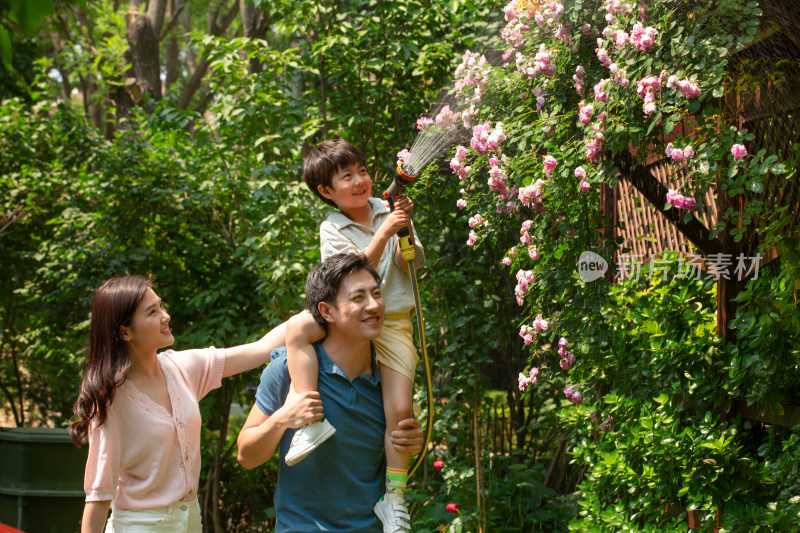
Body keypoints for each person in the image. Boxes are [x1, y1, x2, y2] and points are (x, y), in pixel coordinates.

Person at [69, 275, 295, 533]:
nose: (165, 316)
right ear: (125, 332)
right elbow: (99, 496)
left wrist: (320, 311)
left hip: (190, 519)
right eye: (152, 312)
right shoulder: (110, 401)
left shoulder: (182, 368)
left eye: (161, 306)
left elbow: (261, 348)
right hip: (140, 525)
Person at [282, 139, 425, 531]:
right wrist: (385, 233)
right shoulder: (332, 228)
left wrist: (404, 230)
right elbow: (347, 277)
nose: (360, 180)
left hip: (392, 320)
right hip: (346, 319)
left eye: (362, 171)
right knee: (297, 328)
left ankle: (393, 500)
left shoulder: (386, 210)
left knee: (400, 412)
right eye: (347, 176)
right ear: (326, 192)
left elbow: (415, 262)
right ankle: (312, 421)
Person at [237, 253, 423, 532]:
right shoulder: (289, 368)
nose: (373, 305)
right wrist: (283, 419)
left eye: (376, 294)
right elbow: (247, 457)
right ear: (326, 311)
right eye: (358, 298)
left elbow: (391, 455)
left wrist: (410, 441)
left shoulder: (390, 378)